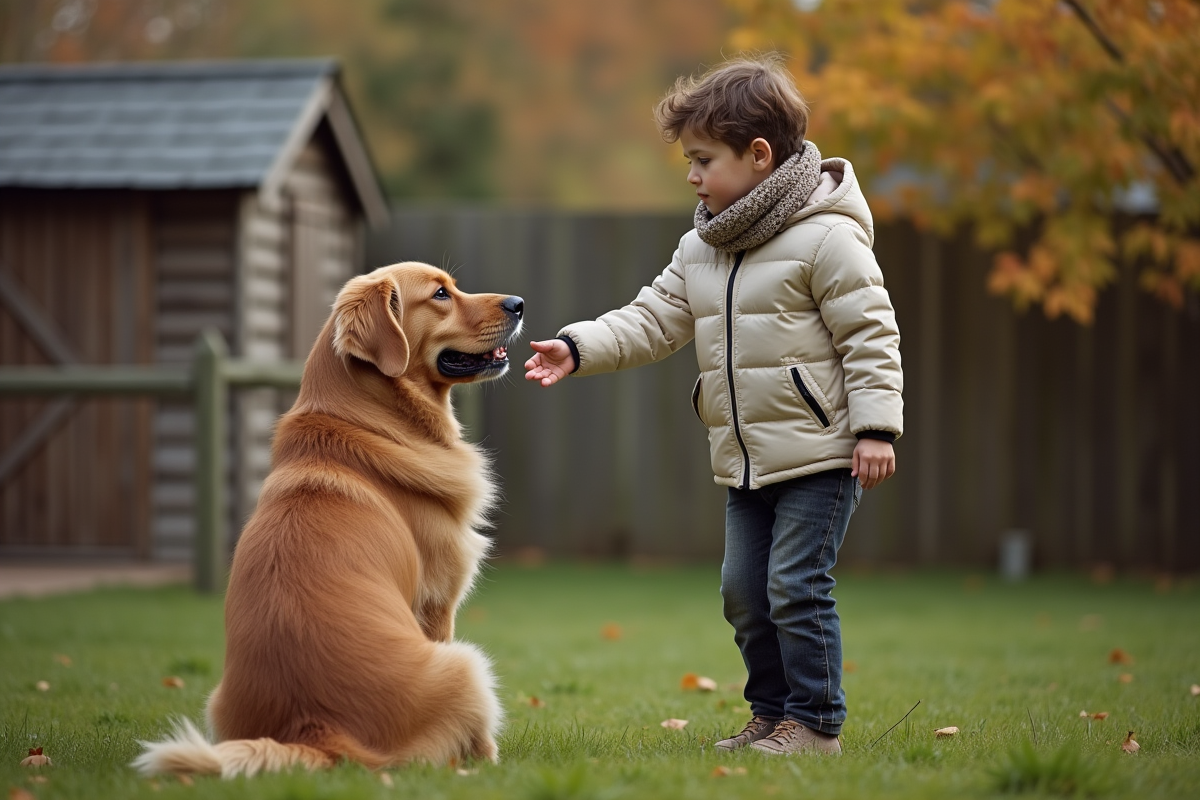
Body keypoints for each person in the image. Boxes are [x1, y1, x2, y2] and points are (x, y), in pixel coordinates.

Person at [524, 55, 903, 755]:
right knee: (744, 594)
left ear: (759, 156)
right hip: (745, 459)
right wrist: (578, 347)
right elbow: (652, 318)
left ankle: (816, 725)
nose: (692, 176)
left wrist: (876, 427)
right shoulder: (704, 246)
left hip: (821, 456)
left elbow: (870, 333)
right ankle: (772, 714)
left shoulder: (826, 236)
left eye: (703, 160)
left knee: (795, 585)